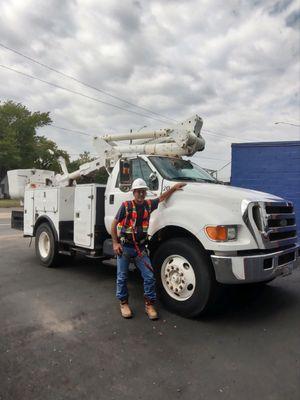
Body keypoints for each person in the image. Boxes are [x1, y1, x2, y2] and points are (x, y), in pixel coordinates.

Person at [111, 178, 186, 320]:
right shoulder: (126, 206)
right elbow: (114, 224)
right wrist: (115, 244)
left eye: (143, 192)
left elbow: (162, 198)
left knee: (149, 276)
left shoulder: (148, 205)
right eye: (138, 192)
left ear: (145, 193)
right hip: (125, 248)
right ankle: (124, 303)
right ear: (134, 192)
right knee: (122, 277)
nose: (140, 194)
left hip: (140, 248)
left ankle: (149, 305)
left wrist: (174, 187)